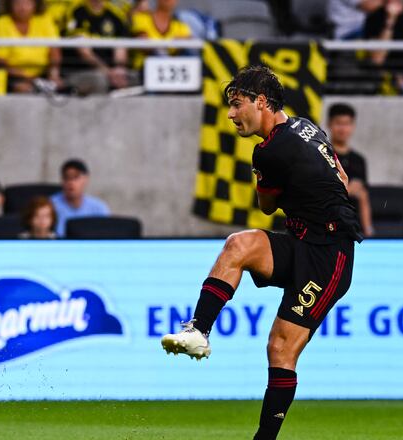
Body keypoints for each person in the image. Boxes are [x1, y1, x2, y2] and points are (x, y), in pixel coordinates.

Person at [161, 66, 362, 440]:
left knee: (280, 349)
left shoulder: (269, 152)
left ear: (261, 102)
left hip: (329, 257)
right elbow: (344, 181)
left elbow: (267, 206)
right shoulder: (306, 126)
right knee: (240, 244)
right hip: (303, 240)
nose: (231, 114)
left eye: (237, 105)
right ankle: (199, 331)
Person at [62, 0, 137, 95]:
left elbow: (120, 48)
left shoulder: (116, 14)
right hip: (81, 71)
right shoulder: (76, 11)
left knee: (133, 77)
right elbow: (84, 52)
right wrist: (108, 72)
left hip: (111, 72)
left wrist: (119, 70)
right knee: (99, 80)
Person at [0, 0, 62, 94]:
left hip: (43, 75)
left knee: (62, 86)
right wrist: (31, 79)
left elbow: (54, 51)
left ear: (35, 4)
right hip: (12, 76)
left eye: (27, 3)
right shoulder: (1, 23)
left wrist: (53, 75)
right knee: (24, 89)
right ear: (10, 5)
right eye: (18, 3)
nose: (22, 8)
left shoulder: (44, 20)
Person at [327, 103, 373, 237]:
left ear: (353, 126)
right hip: (328, 227)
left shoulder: (359, 160)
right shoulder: (322, 155)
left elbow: (364, 197)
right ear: (329, 124)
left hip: (354, 228)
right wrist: (346, 190)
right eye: (339, 123)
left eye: (347, 124)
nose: (343, 128)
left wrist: (368, 231)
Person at [50, 158, 109, 237]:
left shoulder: (98, 208)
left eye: (75, 177)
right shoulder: (50, 206)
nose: (71, 182)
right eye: (66, 178)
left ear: (86, 179)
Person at [130, 0, 193, 71]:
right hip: (145, 70)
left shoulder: (181, 26)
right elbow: (144, 43)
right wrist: (172, 45)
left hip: (172, 71)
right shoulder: (141, 18)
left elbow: (188, 42)